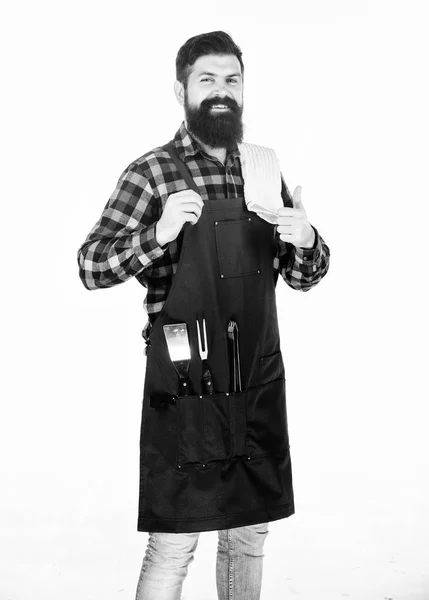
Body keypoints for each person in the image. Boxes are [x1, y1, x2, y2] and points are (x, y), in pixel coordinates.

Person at [77, 30, 330, 600]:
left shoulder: (264, 169)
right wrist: (158, 231)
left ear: (245, 89)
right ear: (181, 89)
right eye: (207, 79)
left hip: (255, 375)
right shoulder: (152, 173)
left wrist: (305, 238)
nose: (222, 91)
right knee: (174, 538)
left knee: (248, 531)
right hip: (184, 376)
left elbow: (303, 276)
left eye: (232, 80)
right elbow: (91, 266)